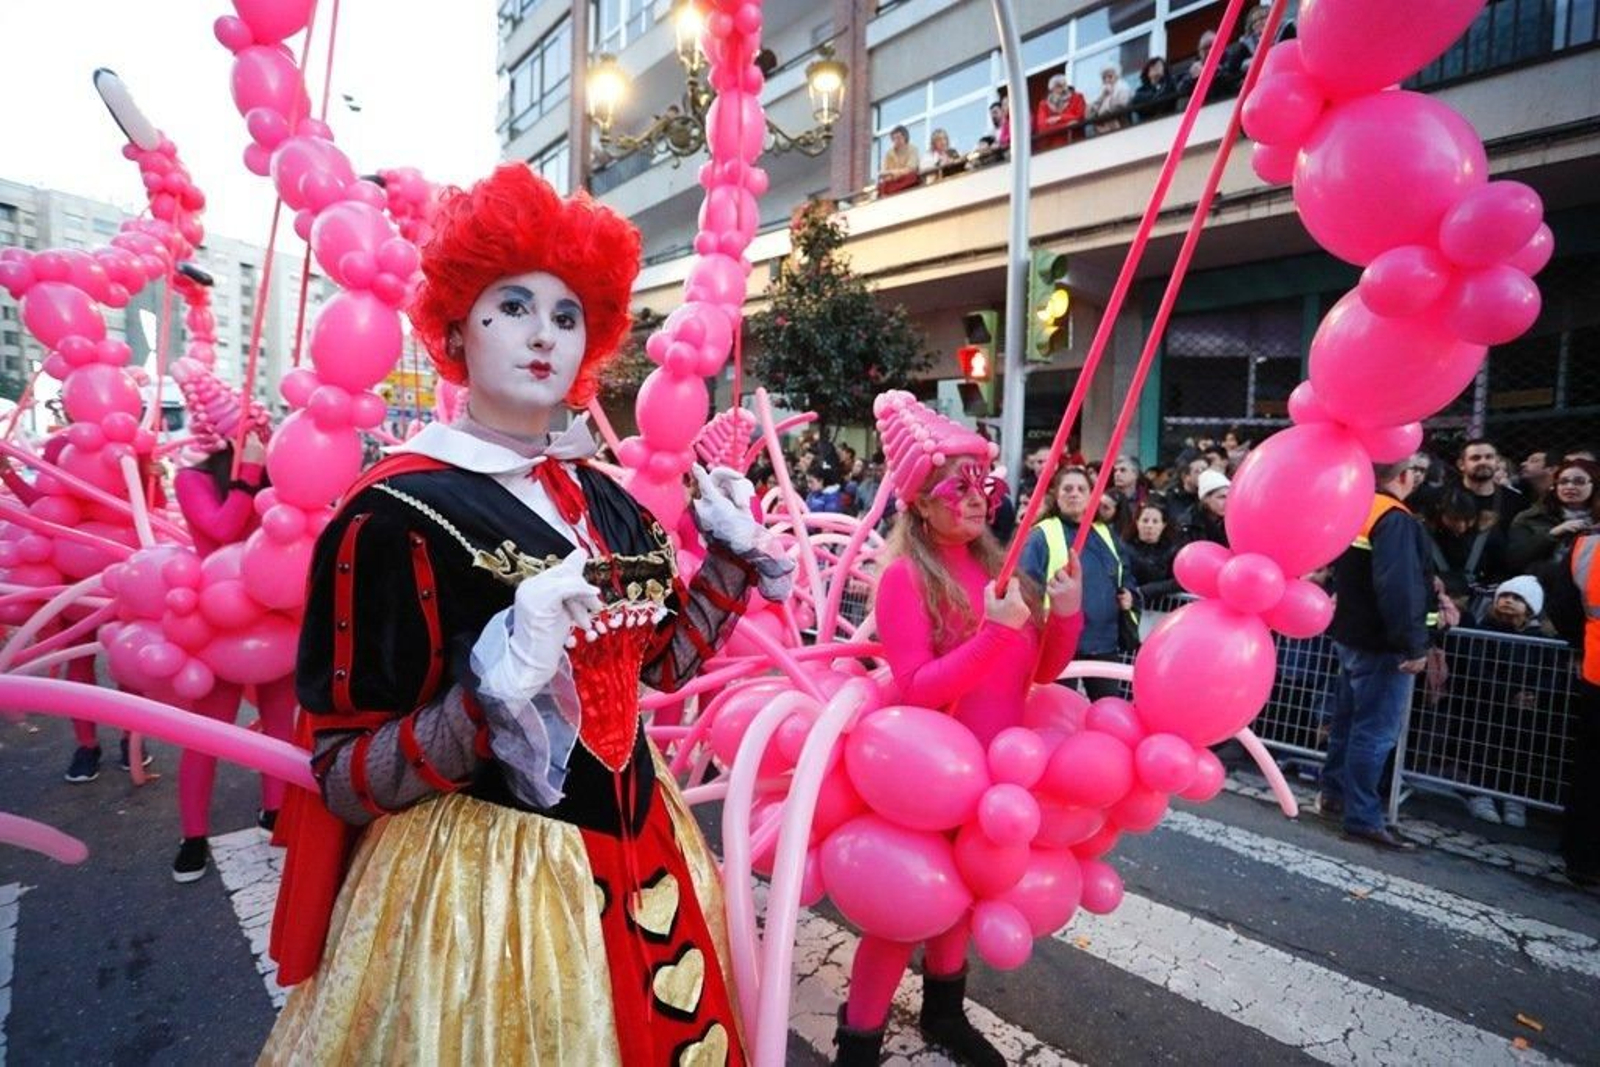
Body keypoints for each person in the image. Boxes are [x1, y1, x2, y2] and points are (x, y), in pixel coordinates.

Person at [262, 164, 793, 1063]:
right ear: (457, 326)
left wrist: (729, 564)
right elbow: (348, 773)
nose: (543, 334)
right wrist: (488, 697)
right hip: (483, 892)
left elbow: (658, 669)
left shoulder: (605, 500)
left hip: (645, 845)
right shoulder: (392, 514)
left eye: (566, 313)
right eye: (513, 305)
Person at [837, 393, 1081, 1066]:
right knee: (901, 911)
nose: (979, 499)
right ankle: (857, 1038)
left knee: (962, 896)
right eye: (960, 486)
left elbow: (1036, 671)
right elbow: (916, 686)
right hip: (927, 775)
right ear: (920, 500)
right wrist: (994, 633)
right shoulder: (906, 577)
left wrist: (1063, 614)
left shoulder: (1001, 569)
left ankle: (945, 1011)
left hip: (992, 774)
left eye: (985, 484)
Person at [166, 367, 294, 883]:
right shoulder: (192, 478)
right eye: (248, 431)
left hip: (276, 614)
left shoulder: (276, 479)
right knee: (206, 734)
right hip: (217, 617)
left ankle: (275, 809)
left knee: (281, 728)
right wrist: (246, 480)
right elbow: (220, 529)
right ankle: (192, 834)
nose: (259, 437)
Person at [1318, 456, 1434, 850]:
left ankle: (1334, 796)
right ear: (1404, 476)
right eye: (1416, 470)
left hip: (1351, 636)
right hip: (1380, 644)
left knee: (1349, 725)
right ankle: (1363, 817)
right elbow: (1400, 588)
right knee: (1374, 732)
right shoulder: (1395, 518)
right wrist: (1413, 644)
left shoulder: (1361, 509)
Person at [1019, 467, 1137, 699]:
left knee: (1108, 712)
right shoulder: (1041, 534)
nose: (1074, 494)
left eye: (1081, 489)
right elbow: (1026, 585)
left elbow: (1126, 574)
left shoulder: (1105, 532)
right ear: (1056, 495)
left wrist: (1130, 595)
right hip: (1058, 643)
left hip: (1103, 641)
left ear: (1091, 496)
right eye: (1068, 489)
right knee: (1058, 714)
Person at [1451, 576, 1547, 828]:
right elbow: (1477, 668)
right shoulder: (1484, 630)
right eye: (1504, 596)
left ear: (1530, 608)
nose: (1508, 601)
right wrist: (1507, 694)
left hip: (1523, 711)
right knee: (1481, 749)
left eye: (1517, 599)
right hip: (1487, 704)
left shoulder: (1541, 639)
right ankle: (1478, 793)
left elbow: (1550, 673)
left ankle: (1514, 799)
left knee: (1517, 753)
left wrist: (1535, 693)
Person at [1542, 530, 1600, 889]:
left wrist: (1580, 644)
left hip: (1595, 670)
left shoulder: (1587, 546)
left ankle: (1581, 858)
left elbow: (1563, 605)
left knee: (1590, 770)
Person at [1508, 458, 1599, 573]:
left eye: (1579, 481)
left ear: (1595, 485)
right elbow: (1514, 561)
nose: (1570, 486)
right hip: (1543, 581)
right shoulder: (1530, 517)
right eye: (1563, 482)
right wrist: (1553, 534)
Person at [1456, 439, 1525, 536]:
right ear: (1461, 464)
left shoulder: (1515, 501)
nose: (1483, 462)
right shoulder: (1444, 498)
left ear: (1496, 462)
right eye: (1476, 458)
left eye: (1489, 457)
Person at [1128, 502, 1181, 603]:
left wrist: (1145, 591)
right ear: (1137, 522)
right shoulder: (1123, 547)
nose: (1149, 526)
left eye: (1155, 521)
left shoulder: (1173, 550)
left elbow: (1178, 581)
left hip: (1160, 609)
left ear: (1163, 525)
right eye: (1145, 521)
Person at [1180, 469, 1230, 547]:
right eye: (1221, 497)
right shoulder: (1189, 524)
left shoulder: (1232, 519)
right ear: (1205, 499)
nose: (1227, 502)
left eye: (1229, 496)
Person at [1034, 74, 1086, 140]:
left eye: (1063, 85)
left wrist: (1059, 118)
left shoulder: (1077, 97)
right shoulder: (1044, 104)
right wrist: (1066, 125)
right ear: (1052, 89)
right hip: (1054, 145)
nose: (1062, 89)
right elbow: (1042, 127)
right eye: (1058, 86)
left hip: (1075, 140)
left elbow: (1079, 117)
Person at [1087, 65, 1131, 134]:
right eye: (1104, 78)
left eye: (1110, 77)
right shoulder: (1101, 93)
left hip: (1120, 127)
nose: (1107, 80)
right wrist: (1102, 97)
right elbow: (1090, 115)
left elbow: (1122, 105)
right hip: (1102, 130)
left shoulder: (1123, 88)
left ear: (1116, 77)